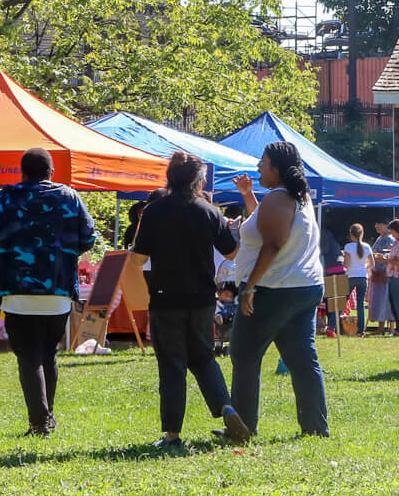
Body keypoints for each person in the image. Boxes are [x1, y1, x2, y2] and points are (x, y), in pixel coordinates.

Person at [131, 151, 250, 450]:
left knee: (172, 364)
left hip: (165, 297)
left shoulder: (154, 211)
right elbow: (232, 252)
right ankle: (227, 408)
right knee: (203, 357)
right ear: (199, 180)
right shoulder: (208, 211)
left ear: (169, 176)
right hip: (201, 298)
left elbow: (138, 259)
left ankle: (172, 435)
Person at [0, 149, 96, 435]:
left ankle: (39, 422)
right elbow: (89, 236)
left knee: (28, 357)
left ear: (22, 171)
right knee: (48, 355)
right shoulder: (70, 196)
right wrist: (63, 253)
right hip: (57, 288)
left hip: (16, 289)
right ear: (51, 172)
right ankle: (48, 417)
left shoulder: (7, 196)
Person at [229, 141, 329, 437]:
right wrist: (248, 196)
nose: (259, 167)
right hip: (305, 287)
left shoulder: (278, 198)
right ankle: (315, 428)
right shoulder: (298, 198)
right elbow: (268, 224)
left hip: (275, 288)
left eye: (263, 162)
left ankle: (243, 426)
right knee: (301, 358)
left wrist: (249, 286)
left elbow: (273, 243)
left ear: (277, 168)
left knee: (245, 354)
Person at [341, 223, 374, 337]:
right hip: (363, 276)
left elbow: (346, 264)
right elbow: (372, 264)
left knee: (343, 301)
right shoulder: (367, 246)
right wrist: (364, 267)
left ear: (351, 234)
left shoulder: (348, 247)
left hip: (351, 276)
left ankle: (332, 326)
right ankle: (361, 331)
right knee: (360, 304)